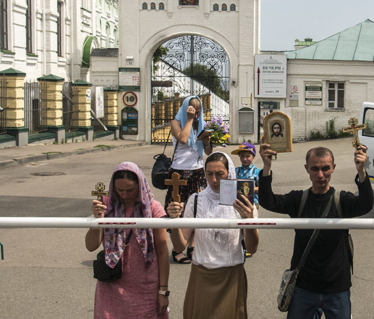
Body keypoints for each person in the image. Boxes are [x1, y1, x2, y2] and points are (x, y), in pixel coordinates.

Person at [258, 142, 374, 319]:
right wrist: (266, 167)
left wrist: (361, 172)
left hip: (337, 288)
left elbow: (365, 205)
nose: (320, 175)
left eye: (326, 168)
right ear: (306, 169)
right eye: (315, 169)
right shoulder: (299, 199)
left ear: (334, 168)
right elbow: (269, 202)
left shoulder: (342, 200)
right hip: (304, 287)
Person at [166, 152, 259, 319]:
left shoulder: (244, 201)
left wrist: (248, 219)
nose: (214, 180)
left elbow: (252, 248)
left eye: (219, 174)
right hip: (202, 276)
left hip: (231, 277)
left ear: (229, 172)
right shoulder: (196, 200)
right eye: (209, 174)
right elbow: (180, 246)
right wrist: (174, 222)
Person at [86, 162, 170, 318]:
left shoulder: (152, 208)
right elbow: (91, 246)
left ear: (140, 186)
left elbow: (163, 251)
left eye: (130, 190)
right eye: (120, 190)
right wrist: (97, 221)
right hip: (111, 285)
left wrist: (163, 290)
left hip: (145, 287)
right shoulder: (107, 206)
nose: (124, 195)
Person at [168, 95, 214, 264]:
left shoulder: (200, 125)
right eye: (192, 111)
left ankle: (192, 244)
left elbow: (208, 152)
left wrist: (207, 141)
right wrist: (188, 119)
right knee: (178, 210)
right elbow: (182, 138)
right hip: (179, 173)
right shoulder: (176, 123)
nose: (195, 116)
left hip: (197, 172)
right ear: (186, 108)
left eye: (198, 112)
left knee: (196, 209)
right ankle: (177, 249)